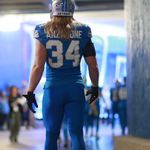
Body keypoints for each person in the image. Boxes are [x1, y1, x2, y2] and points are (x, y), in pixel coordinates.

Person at [23, 0, 99, 150]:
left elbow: (38, 66)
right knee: (77, 134)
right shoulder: (83, 30)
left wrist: (30, 91)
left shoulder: (43, 30)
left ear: (52, 9)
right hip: (75, 88)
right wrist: (95, 87)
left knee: (51, 135)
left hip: (53, 90)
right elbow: (93, 65)